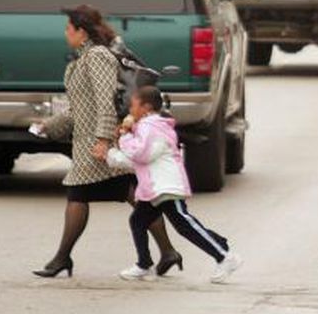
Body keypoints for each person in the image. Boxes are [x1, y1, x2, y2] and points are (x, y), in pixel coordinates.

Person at [31, 5, 177, 279]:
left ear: (81, 32)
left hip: (97, 141)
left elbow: (104, 102)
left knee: (78, 194)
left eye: (68, 28)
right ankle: (168, 251)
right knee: (132, 193)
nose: (65, 33)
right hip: (89, 139)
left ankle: (61, 259)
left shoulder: (97, 57)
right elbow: (78, 108)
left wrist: (102, 140)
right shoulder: (84, 57)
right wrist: (49, 127)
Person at [96, 86, 242, 284]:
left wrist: (124, 135)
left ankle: (224, 256)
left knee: (184, 224)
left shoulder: (151, 126)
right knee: (138, 221)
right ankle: (143, 264)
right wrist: (111, 156)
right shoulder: (146, 127)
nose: (130, 110)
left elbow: (141, 154)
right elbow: (138, 162)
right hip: (154, 188)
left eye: (133, 105)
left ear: (146, 107)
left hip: (165, 186)